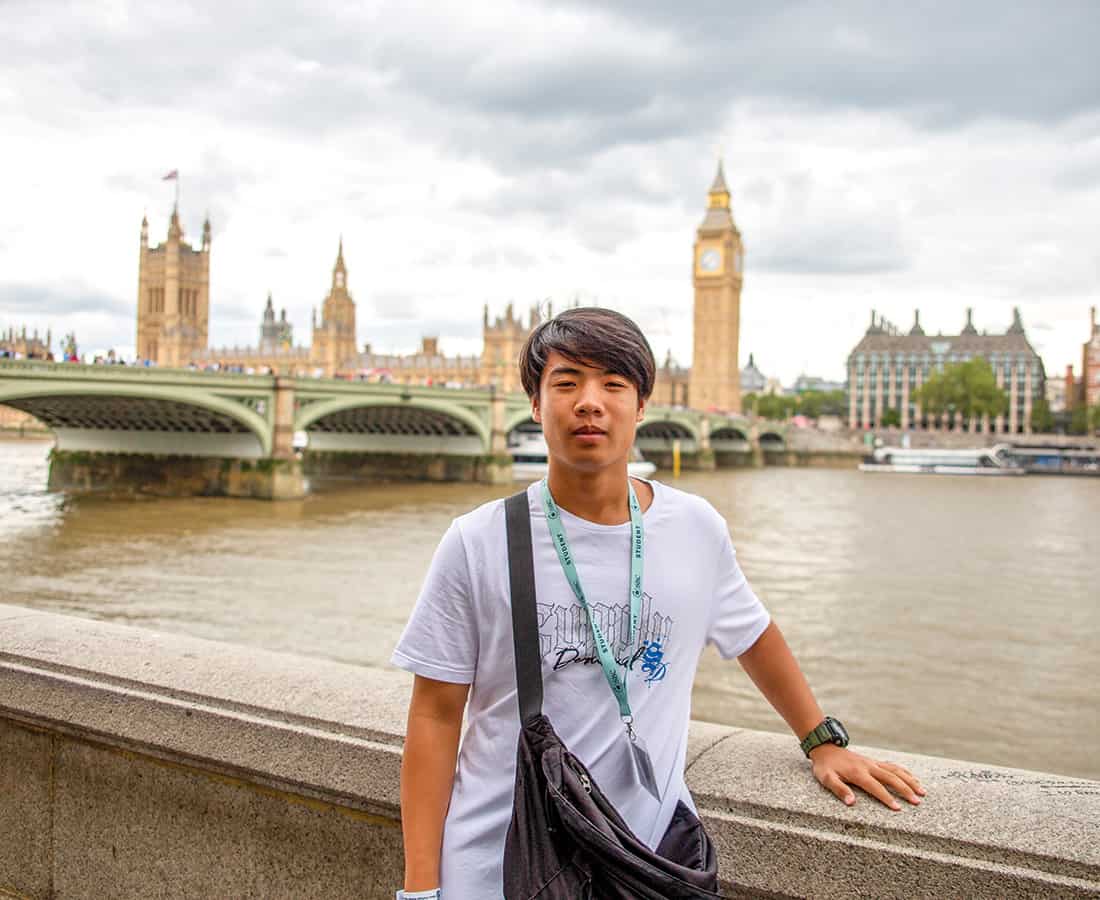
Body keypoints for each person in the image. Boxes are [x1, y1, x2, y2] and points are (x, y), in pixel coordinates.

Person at [391, 308, 925, 899]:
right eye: (566, 383)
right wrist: (421, 890)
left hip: (643, 865)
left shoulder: (694, 527)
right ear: (536, 404)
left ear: (642, 405)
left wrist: (821, 741)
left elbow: (753, 636)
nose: (589, 402)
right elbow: (434, 718)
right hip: (497, 867)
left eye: (613, 384)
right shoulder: (477, 541)